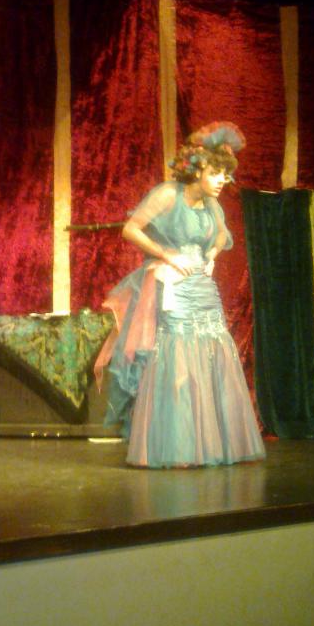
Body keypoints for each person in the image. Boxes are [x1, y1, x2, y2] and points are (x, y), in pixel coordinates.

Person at [95, 122, 265, 468]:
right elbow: (131, 229)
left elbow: (222, 236)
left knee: (212, 351)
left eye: (225, 175)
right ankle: (178, 445)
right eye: (215, 173)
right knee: (177, 356)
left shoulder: (212, 206)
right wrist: (165, 254)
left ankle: (213, 444)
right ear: (197, 169)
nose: (222, 180)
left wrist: (212, 254)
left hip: (202, 287)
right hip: (172, 283)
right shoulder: (168, 195)